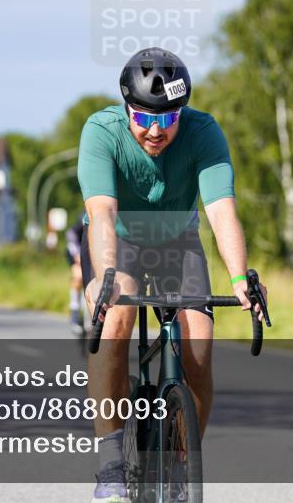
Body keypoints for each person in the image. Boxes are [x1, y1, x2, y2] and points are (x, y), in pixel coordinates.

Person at [78, 47, 266, 503]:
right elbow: (101, 212)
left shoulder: (204, 133)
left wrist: (241, 279)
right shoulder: (101, 132)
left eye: (168, 118)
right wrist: (106, 276)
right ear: (127, 109)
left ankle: (181, 465)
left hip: (177, 244)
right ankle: (111, 467)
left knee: (199, 343)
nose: (156, 131)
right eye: (144, 118)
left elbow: (221, 212)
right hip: (118, 242)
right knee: (118, 316)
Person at [65, 216, 86, 336]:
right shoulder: (83, 217)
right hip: (77, 250)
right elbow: (71, 236)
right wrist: (77, 255)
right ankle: (74, 311)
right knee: (78, 275)